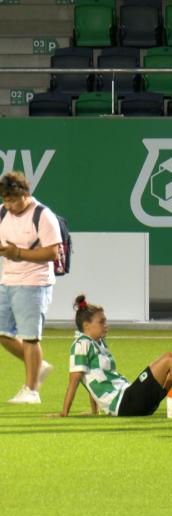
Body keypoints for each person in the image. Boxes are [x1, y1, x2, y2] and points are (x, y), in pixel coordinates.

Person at [58, 295, 172, 417]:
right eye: (101, 322)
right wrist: (64, 413)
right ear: (86, 326)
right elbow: (74, 381)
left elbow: (94, 378)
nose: (106, 325)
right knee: (170, 358)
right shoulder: (81, 344)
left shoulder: (98, 342)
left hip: (131, 399)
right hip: (124, 403)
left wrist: (95, 411)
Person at [0, 171, 62, 405]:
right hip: (7, 280)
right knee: (2, 333)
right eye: (5, 200)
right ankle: (38, 365)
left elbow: (53, 252)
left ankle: (32, 391)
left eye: (13, 200)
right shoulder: (2, 213)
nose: (9, 205)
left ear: (25, 194)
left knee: (30, 338)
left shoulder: (43, 215)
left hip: (35, 283)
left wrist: (18, 253)